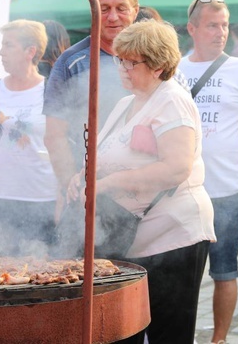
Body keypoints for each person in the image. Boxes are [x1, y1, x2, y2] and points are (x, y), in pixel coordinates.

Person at [67, 19, 215, 343]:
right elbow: (109, 155)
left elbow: (177, 168)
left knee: (168, 333)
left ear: (159, 66)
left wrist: (110, 183)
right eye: (120, 59)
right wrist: (84, 177)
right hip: (131, 235)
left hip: (173, 234)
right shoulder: (126, 103)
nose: (122, 68)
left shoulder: (172, 100)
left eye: (131, 62)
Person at [178, 0, 238, 344]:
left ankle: (218, 340)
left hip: (226, 190)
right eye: (212, 25)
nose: (220, 32)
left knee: (225, 271)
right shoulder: (175, 69)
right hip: (181, 190)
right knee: (182, 276)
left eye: (224, 25)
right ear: (192, 29)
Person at [43, 0, 139, 211]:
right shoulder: (71, 62)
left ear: (135, 11)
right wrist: (70, 187)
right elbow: (55, 136)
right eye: (104, 8)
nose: (113, 17)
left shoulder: (154, 59)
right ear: (92, 11)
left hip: (146, 191)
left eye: (121, 8)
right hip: (90, 192)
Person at [0, 19, 58, 256]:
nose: (0, 52)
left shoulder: (50, 91)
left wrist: (61, 202)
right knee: (0, 270)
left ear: (31, 51)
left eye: (8, 45)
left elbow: (61, 147)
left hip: (41, 200)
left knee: (41, 272)